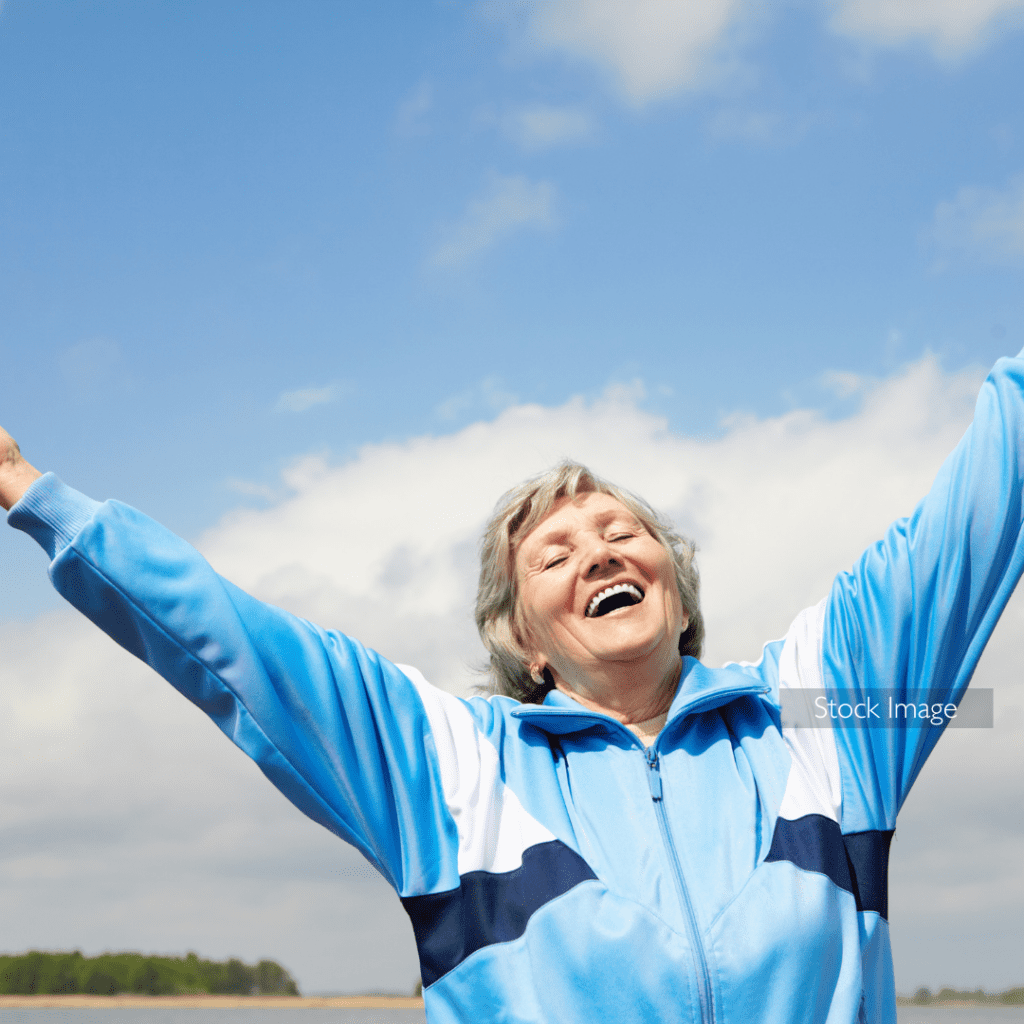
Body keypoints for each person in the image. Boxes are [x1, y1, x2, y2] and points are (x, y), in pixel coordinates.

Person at [2, 351, 1024, 1024]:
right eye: (553, 554)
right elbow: (234, 639)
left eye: (623, 533)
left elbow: (973, 514)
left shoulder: (821, 708)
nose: (596, 551)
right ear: (524, 639)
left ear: (676, 591)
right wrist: (34, 496)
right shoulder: (443, 763)